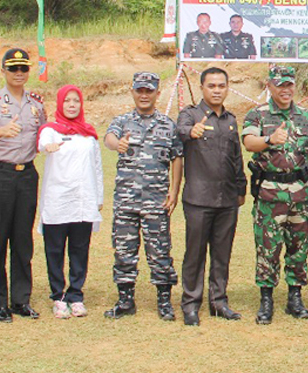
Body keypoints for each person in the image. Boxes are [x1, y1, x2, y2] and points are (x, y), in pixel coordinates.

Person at [103, 72, 184, 321]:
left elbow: (177, 157)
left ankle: (164, 301)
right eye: (140, 90)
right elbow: (108, 138)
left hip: (156, 199)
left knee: (159, 250)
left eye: (149, 91)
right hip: (126, 200)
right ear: (133, 92)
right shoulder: (123, 121)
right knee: (124, 251)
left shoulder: (168, 125)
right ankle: (126, 300)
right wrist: (117, 145)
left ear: (158, 93)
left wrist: (174, 190)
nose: (144, 95)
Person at [241, 65, 308, 325]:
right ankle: (266, 298)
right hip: (270, 196)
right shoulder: (258, 114)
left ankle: (295, 296)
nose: (285, 90)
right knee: (268, 248)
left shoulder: (306, 117)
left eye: (289, 84)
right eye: (279, 85)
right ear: (269, 87)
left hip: (301, 194)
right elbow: (249, 142)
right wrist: (270, 139)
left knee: (299, 248)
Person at [0, 48, 46, 322]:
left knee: (22, 238)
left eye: (23, 69)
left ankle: (20, 300)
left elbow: (45, 134)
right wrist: (1, 131)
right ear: (2, 70)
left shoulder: (37, 103)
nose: (19, 74)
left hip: (26, 175)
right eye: (13, 69)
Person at [176, 67, 246, 325]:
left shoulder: (230, 119)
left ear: (227, 88)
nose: (216, 90)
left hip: (227, 199)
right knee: (194, 253)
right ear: (203, 88)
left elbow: (236, 156)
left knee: (222, 253)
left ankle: (219, 301)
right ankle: (190, 304)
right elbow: (180, 131)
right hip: (198, 198)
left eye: (221, 86)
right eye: (211, 86)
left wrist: (241, 188)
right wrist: (191, 132)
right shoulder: (190, 115)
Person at [37, 85, 103, 319]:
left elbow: (96, 167)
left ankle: (75, 294)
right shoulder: (51, 130)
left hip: (83, 200)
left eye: (76, 101)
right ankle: (58, 296)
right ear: (60, 104)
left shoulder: (88, 134)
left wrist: (99, 197)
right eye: (68, 101)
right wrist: (47, 147)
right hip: (59, 200)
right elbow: (42, 143)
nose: (72, 105)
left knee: (79, 250)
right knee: (54, 250)